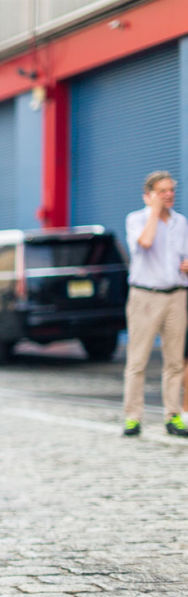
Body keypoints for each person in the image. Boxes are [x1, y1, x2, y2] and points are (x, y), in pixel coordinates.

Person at [122, 171, 188, 438]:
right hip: (145, 296)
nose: (169, 195)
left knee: (174, 361)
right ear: (148, 195)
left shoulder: (180, 222)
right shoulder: (136, 220)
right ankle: (132, 418)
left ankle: (173, 416)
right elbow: (146, 242)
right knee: (138, 360)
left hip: (176, 295)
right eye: (162, 191)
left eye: (171, 190)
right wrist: (154, 211)